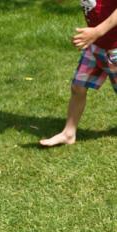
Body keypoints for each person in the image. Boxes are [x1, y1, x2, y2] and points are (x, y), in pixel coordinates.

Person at [40, 1, 117, 146]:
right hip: (95, 46)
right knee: (78, 87)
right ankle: (68, 134)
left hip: (114, 48)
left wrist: (97, 31)